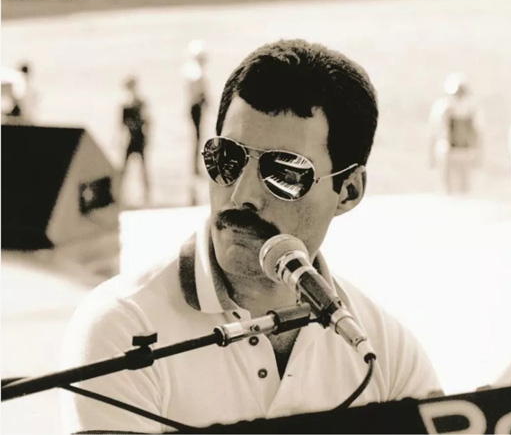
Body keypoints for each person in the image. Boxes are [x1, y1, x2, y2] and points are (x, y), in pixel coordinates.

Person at [61, 40, 440, 432]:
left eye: (284, 173)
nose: (243, 195)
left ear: (349, 191)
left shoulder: (384, 351)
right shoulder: (121, 327)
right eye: (227, 158)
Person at [428, 72, 483, 194]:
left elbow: (477, 134)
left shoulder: (472, 109)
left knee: (465, 187)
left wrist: (478, 154)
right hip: (447, 152)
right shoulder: (442, 108)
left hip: (465, 153)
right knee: (447, 187)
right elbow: (435, 133)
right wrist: (432, 155)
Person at [120, 76, 151, 205]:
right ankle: (120, 193)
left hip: (139, 138)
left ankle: (147, 195)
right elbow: (121, 125)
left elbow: (147, 121)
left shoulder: (139, 103)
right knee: (125, 168)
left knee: (143, 168)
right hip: (131, 138)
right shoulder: (127, 104)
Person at [182, 39, 210, 176]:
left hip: (193, 106)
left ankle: (195, 166)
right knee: (197, 137)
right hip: (196, 107)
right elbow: (201, 93)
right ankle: (195, 167)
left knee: (197, 137)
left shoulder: (190, 69)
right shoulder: (197, 73)